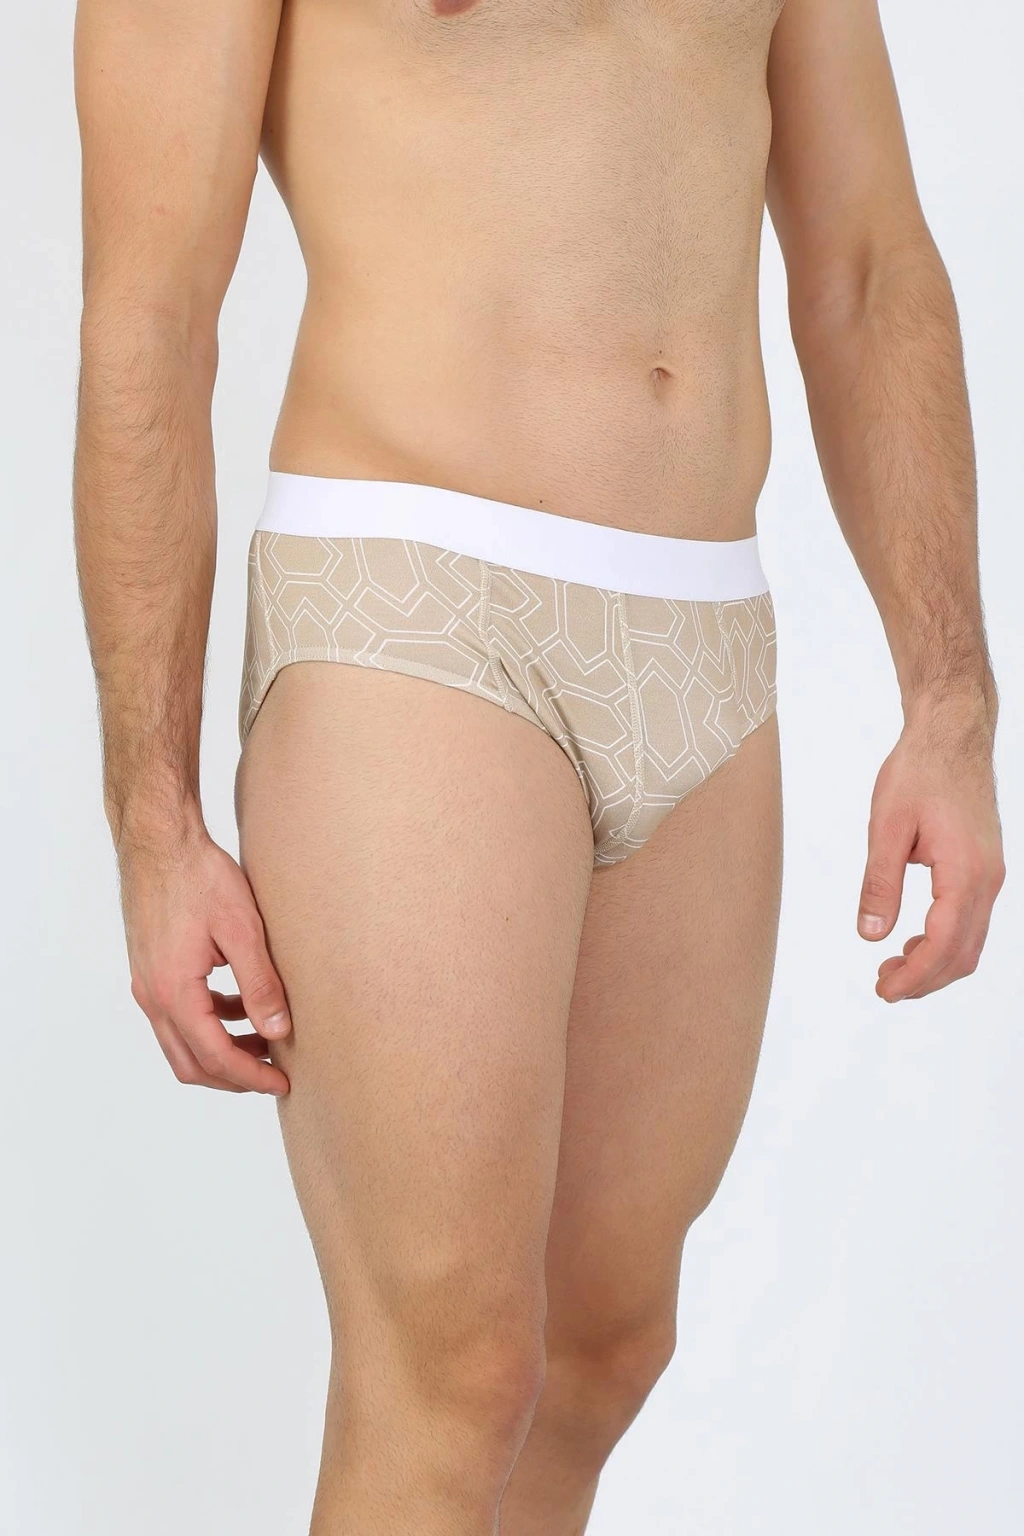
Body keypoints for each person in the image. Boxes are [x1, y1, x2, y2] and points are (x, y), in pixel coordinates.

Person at [72, 1, 1005, 1531]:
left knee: (598, 1353)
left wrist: (950, 698)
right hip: (416, 598)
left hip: (705, 629)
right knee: (452, 1376)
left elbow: (867, 262)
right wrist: (152, 818)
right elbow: (150, 313)